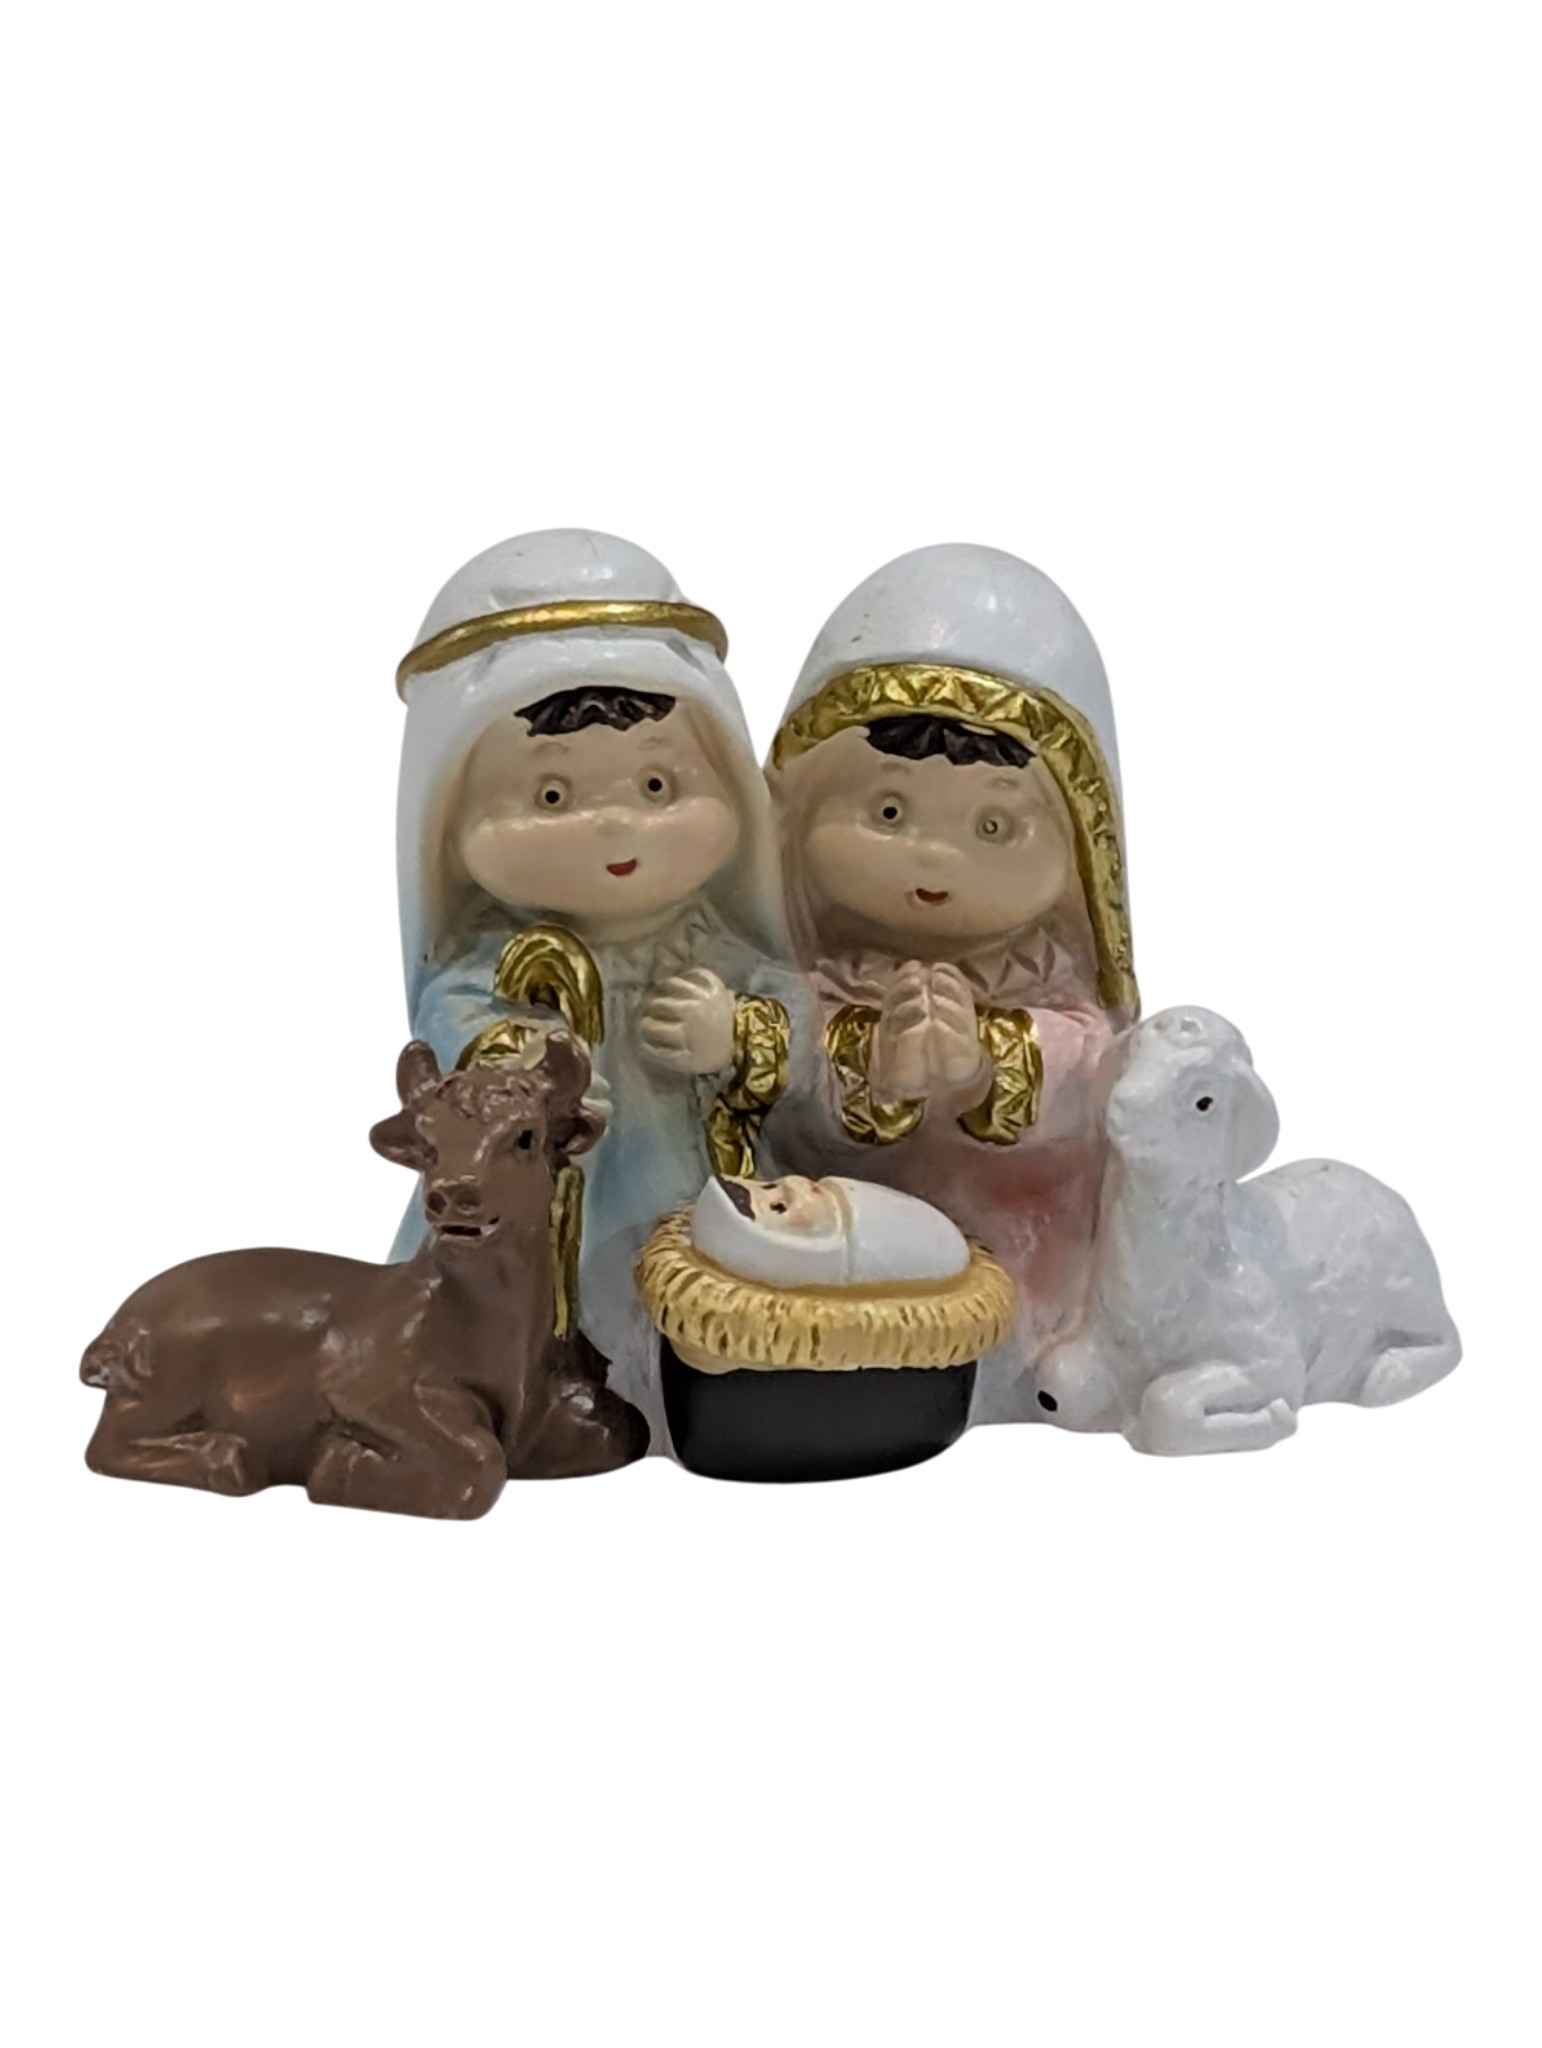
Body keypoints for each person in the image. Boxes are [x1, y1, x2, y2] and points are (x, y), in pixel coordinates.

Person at [393, 528, 810, 1443]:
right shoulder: (490, 963)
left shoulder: (711, 948)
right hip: (546, 1223)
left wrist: (739, 1032)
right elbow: (455, 1032)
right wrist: (524, 1071)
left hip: (703, 1205)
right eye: (551, 798)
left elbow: (797, 1020)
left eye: (660, 784)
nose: (616, 825)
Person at [766, 542, 1139, 1423]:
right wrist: (866, 1069)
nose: (934, 857)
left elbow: (1094, 1071)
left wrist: (987, 1065)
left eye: (995, 826)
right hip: (843, 1212)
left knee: (1001, 1287)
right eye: (888, 811)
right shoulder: (816, 974)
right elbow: (779, 1086)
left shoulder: (1040, 971)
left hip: (1014, 1223)